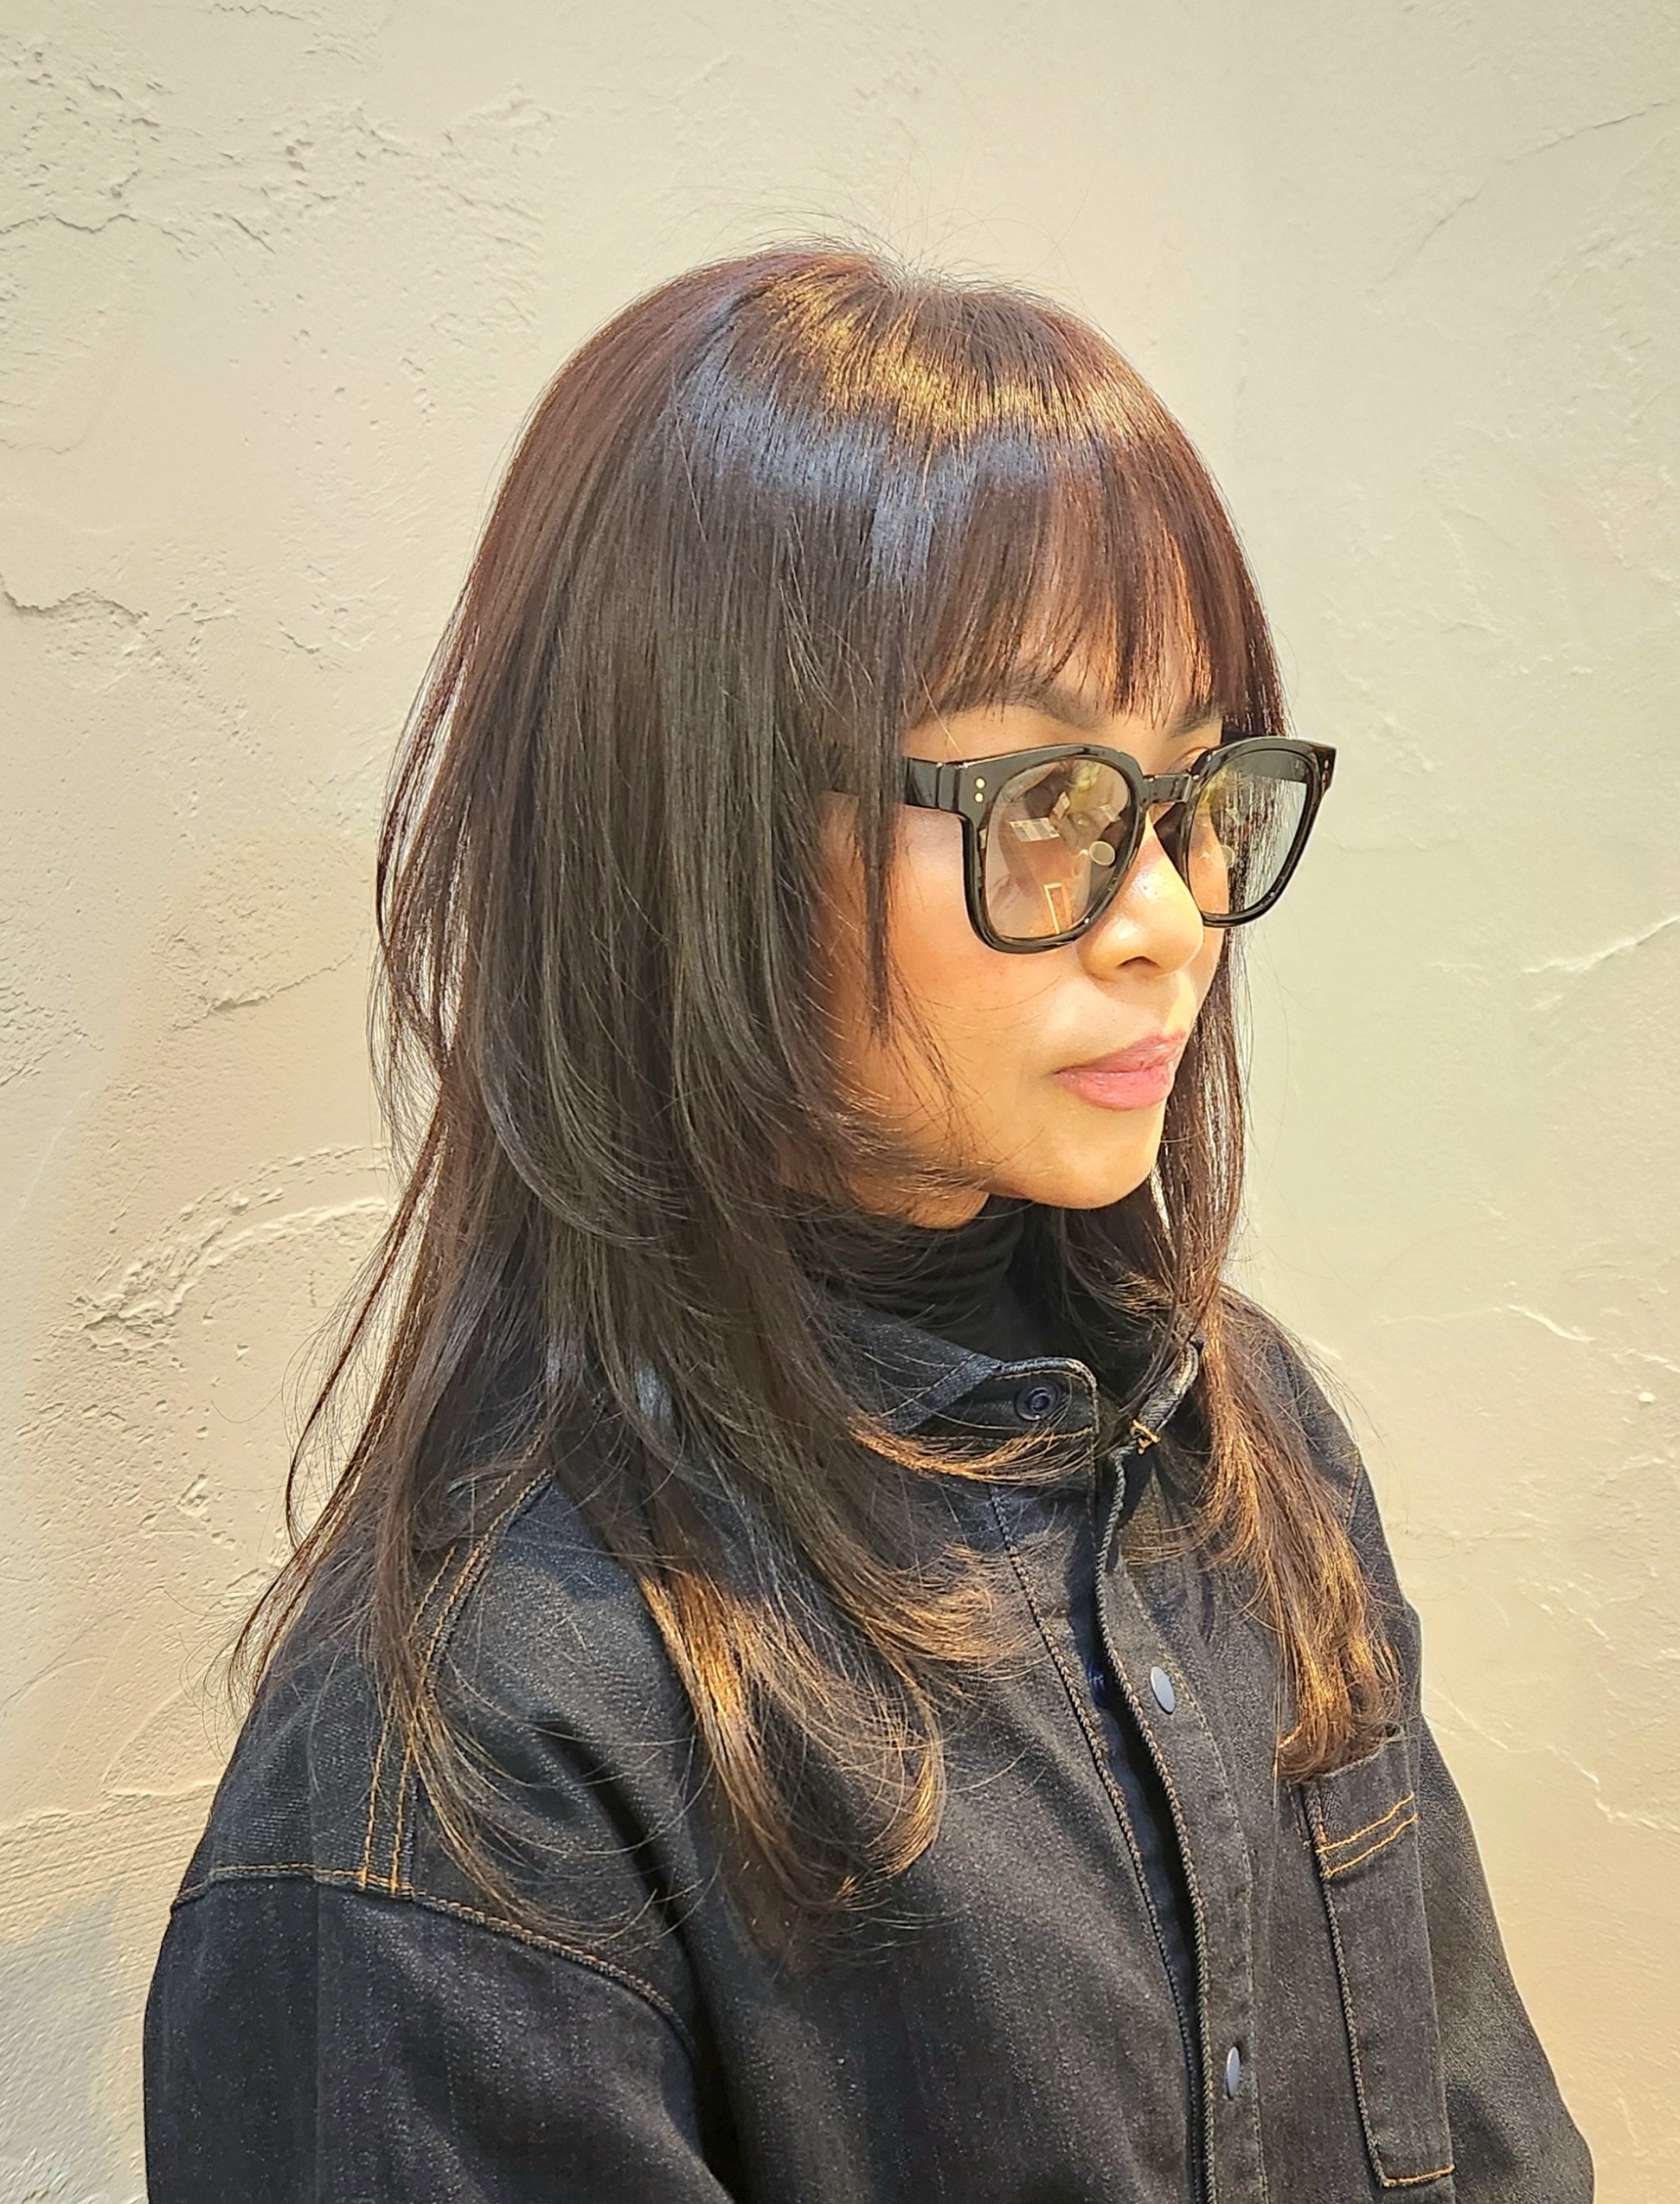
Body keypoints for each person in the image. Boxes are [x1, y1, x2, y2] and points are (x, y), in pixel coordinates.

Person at [143, 246, 1591, 2202]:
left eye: (1195, 793)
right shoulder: (484, 1757)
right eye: (1049, 798)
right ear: (701, 819)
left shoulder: (1234, 1441)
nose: (1167, 915)